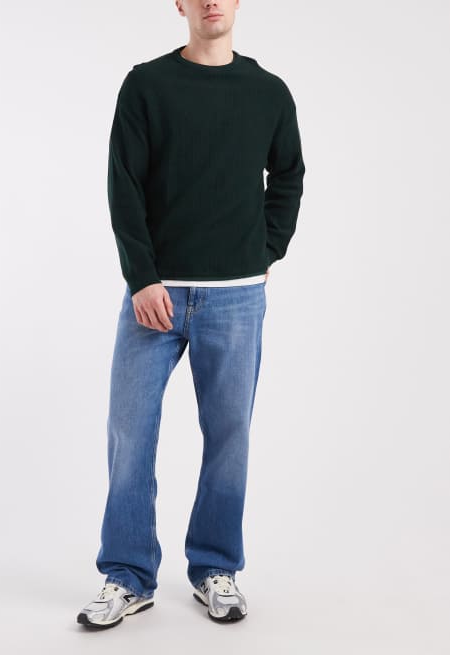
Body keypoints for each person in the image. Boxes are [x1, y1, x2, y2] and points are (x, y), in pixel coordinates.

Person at [77, 0, 305, 629]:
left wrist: (266, 251)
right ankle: (128, 575)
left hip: (236, 297)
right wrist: (142, 276)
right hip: (155, 295)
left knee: (229, 438)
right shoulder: (147, 85)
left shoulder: (268, 92)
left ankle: (215, 568)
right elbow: (123, 183)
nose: (211, 2)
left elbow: (289, 176)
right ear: (178, 3)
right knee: (130, 434)